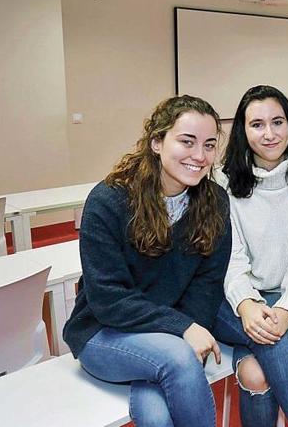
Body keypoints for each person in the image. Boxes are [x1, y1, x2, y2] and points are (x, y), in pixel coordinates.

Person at [63, 95, 232, 427]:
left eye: (209, 145)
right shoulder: (108, 200)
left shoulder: (215, 202)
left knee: (156, 416)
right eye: (187, 141)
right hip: (103, 332)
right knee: (179, 360)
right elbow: (109, 300)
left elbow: (208, 285)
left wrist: (180, 329)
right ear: (157, 141)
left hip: (166, 340)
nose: (200, 156)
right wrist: (181, 328)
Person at [212, 85, 288, 427]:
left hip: (285, 294)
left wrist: (287, 305)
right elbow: (229, 254)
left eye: (277, 122)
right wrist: (246, 303)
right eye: (257, 124)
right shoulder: (223, 177)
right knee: (265, 358)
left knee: (255, 374)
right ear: (243, 130)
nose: (269, 133)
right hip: (229, 300)